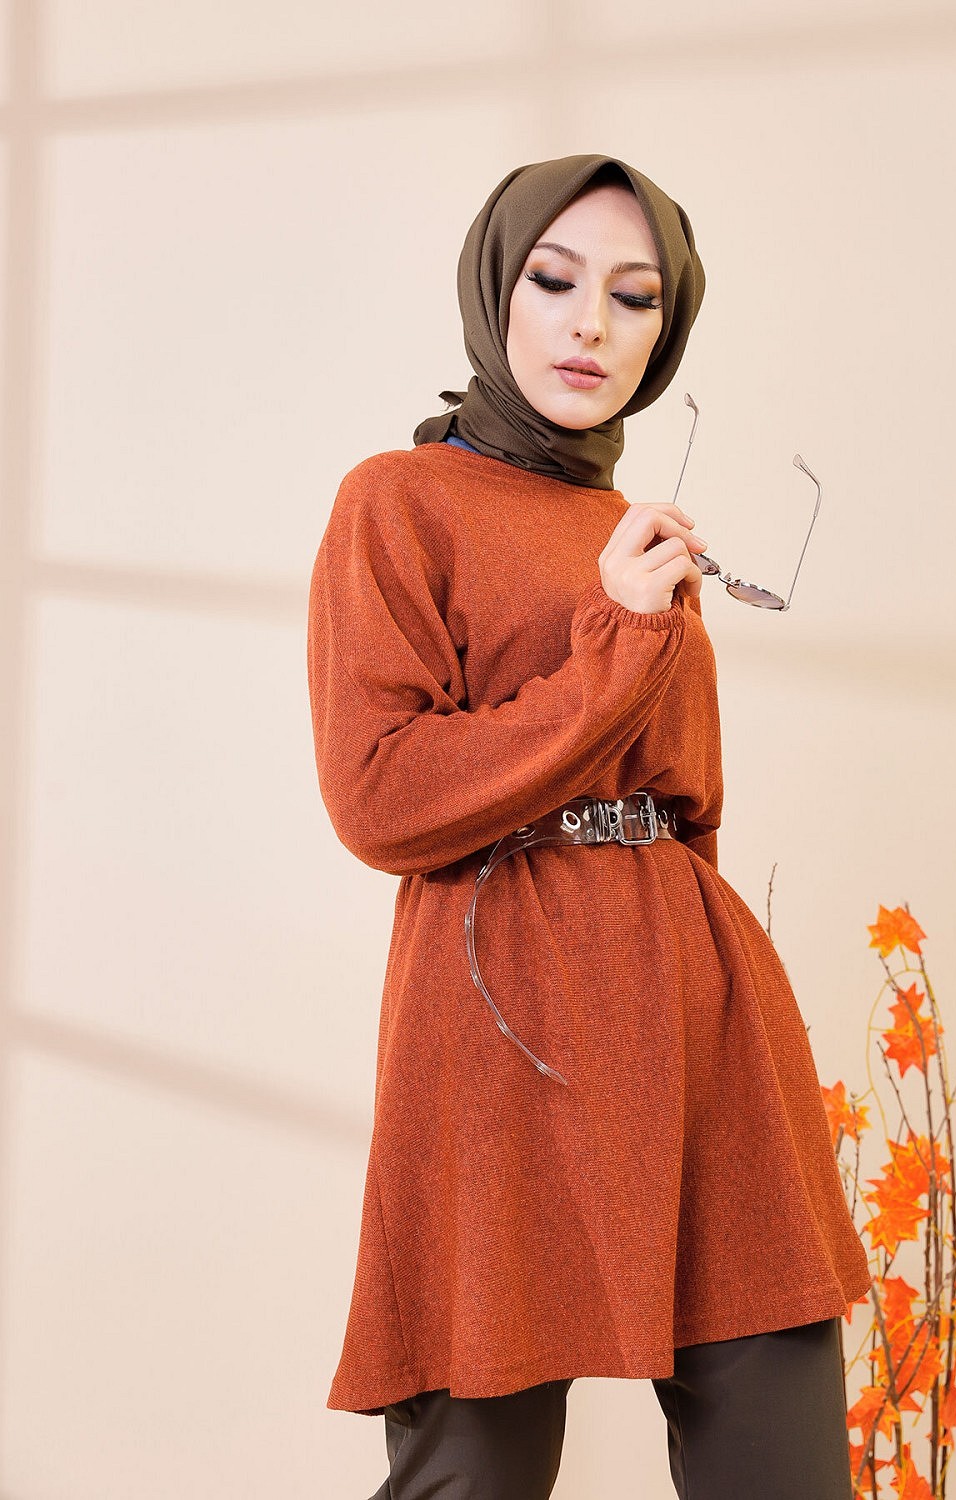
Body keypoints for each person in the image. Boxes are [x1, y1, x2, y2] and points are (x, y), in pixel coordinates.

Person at [306, 153, 872, 1500]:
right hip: (496, 1024)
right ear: (495, 291)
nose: (591, 327)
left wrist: (638, 610)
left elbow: (690, 803)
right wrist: (615, 629)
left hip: (698, 1012)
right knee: (475, 1469)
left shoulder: (636, 532)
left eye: (635, 297)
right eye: (555, 283)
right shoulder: (398, 501)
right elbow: (382, 795)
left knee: (783, 1453)